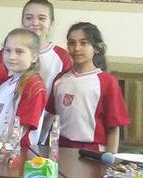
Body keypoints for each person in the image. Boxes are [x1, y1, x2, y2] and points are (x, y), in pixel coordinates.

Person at [45, 22, 129, 153]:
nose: (77, 48)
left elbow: (113, 128)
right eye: (72, 43)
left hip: (92, 151)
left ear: (96, 48)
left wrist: (110, 157)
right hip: (60, 148)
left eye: (83, 43)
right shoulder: (60, 79)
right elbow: (51, 117)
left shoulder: (107, 82)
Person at [0, 0, 72, 142]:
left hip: (39, 130)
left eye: (41, 18)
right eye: (29, 17)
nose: (34, 23)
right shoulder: (7, 53)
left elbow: (60, 100)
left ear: (51, 23)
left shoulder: (62, 57)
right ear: (22, 21)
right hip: (4, 128)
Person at [0, 28, 47, 149]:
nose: (11, 56)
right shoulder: (2, 85)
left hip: (12, 154)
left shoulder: (34, 86)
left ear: (34, 57)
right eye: (7, 50)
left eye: (19, 52)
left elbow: (21, 127)